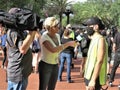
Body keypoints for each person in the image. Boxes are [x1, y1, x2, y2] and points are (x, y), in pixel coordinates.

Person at [38, 17, 76, 90]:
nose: (58, 27)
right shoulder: (44, 37)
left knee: (52, 87)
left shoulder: (58, 36)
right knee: (42, 87)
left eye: (58, 25)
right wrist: (68, 44)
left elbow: (58, 49)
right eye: (56, 26)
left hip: (55, 64)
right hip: (46, 65)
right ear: (50, 27)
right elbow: (53, 50)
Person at [7, 8, 36, 90]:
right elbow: (23, 50)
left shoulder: (20, 31)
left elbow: (30, 41)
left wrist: (33, 30)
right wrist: (31, 32)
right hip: (18, 73)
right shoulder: (14, 32)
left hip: (20, 72)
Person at [83, 17, 108, 90]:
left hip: (95, 76)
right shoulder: (94, 39)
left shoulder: (100, 40)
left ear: (96, 27)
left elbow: (99, 61)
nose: (87, 28)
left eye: (88, 26)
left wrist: (93, 80)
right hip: (88, 74)